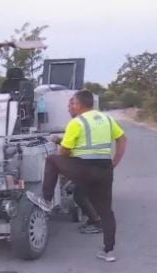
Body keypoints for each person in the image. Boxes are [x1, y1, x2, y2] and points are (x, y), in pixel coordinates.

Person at [27, 90, 127, 262]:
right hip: (104, 170)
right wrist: (114, 162)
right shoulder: (107, 119)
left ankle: (47, 200)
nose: (68, 108)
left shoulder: (77, 122)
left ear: (79, 105)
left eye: (71, 104)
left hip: (83, 168)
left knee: (52, 160)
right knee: (106, 212)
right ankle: (108, 251)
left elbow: (64, 153)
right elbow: (122, 139)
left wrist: (63, 155)